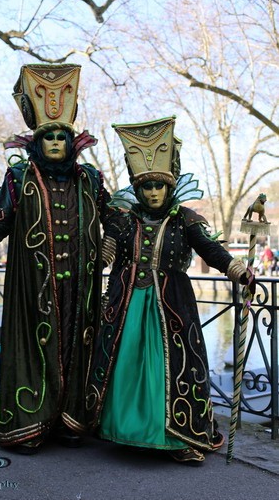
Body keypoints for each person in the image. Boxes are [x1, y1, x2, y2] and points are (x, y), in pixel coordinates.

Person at [0, 64, 111, 454]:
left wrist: (110, 245)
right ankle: (31, 424)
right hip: (33, 286)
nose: (57, 142)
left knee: (77, 347)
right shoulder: (19, 178)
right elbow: (0, 222)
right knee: (35, 349)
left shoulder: (90, 179)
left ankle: (69, 421)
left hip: (80, 287)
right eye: (50, 136)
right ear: (37, 142)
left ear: (72, 140)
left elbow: (116, 219)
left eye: (63, 135)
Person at [86, 116, 252, 464]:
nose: (153, 192)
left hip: (172, 308)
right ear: (138, 189)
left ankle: (179, 438)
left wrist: (236, 270)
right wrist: (101, 256)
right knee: (128, 365)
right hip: (127, 304)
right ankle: (129, 431)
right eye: (146, 187)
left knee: (174, 368)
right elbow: (105, 252)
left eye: (159, 186)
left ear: (169, 187)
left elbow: (211, 249)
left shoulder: (185, 219)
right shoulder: (123, 219)